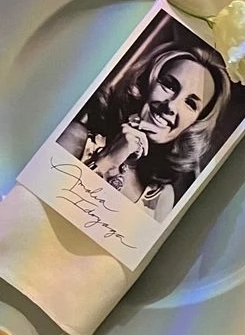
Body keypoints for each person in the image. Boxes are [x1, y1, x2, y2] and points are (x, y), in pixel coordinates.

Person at [58, 39, 231, 223]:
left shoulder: (162, 197)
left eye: (190, 103)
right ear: (145, 83)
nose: (171, 106)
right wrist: (107, 160)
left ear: (195, 124)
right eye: (169, 85)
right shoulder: (75, 138)